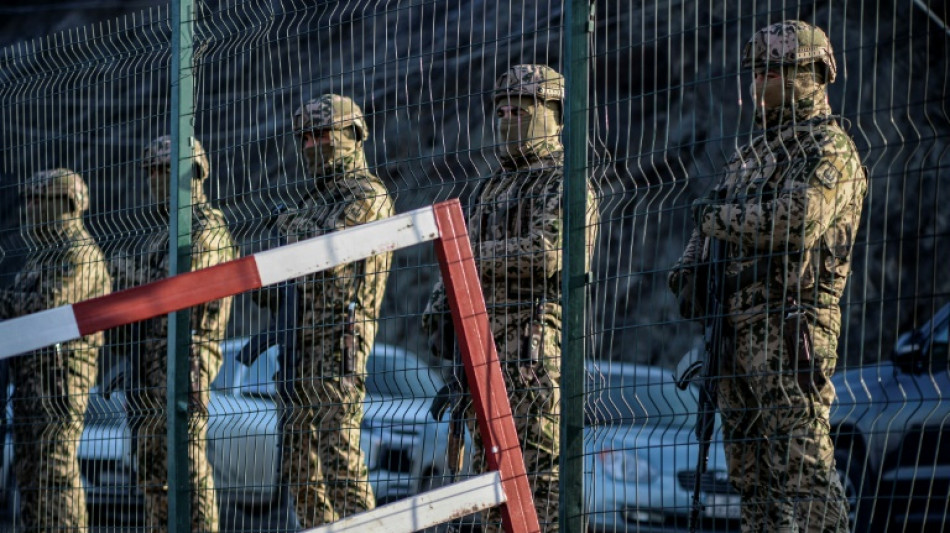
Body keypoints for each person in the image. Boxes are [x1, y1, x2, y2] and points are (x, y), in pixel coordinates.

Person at [668, 21, 867, 533]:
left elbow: (797, 218)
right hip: (733, 333)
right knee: (752, 479)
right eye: (756, 71)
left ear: (814, 75)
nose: (761, 82)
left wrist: (713, 219)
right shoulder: (750, 158)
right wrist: (690, 273)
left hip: (790, 327)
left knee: (805, 469)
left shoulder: (830, 148)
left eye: (776, 70)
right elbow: (701, 246)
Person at [422, 64, 599, 532]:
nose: (506, 120)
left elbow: (547, 253)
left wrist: (465, 257)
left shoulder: (564, 180)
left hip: (529, 353)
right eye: (500, 111)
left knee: (534, 481)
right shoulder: (491, 186)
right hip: (479, 355)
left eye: (519, 110)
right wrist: (440, 309)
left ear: (553, 113)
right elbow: (457, 267)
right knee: (487, 483)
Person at [267, 94, 393, 526]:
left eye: (322, 134)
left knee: (339, 460)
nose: (310, 145)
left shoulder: (367, 194)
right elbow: (283, 278)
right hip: (300, 344)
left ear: (353, 136)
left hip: (339, 339)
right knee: (299, 467)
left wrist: (288, 225)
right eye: (304, 137)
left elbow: (331, 249)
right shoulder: (312, 201)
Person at [111, 136, 236, 532]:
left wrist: (125, 275)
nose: (157, 179)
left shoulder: (206, 227)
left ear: (193, 173)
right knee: (153, 479)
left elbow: (178, 287)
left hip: (185, 363)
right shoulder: (161, 234)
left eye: (166, 170)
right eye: (152, 171)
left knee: (186, 472)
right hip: (148, 368)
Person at [0, 169, 111, 533]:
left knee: (56, 473)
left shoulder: (78, 253)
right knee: (31, 476)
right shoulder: (42, 256)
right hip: (32, 380)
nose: (29, 208)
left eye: (38, 199)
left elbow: (47, 305)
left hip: (59, 380)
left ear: (66, 203)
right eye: (28, 199)